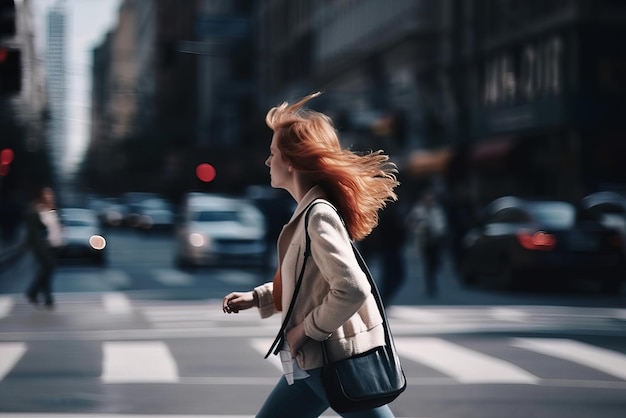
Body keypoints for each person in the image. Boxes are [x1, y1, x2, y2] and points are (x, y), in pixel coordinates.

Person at [222, 92, 400, 418]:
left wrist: (305, 330)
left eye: (273, 153)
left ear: (290, 161)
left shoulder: (317, 215)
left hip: (329, 357)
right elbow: (307, 284)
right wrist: (257, 297)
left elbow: (352, 288)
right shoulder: (307, 214)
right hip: (312, 359)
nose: (267, 161)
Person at [24, 186, 63, 309]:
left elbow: (56, 226)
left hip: (53, 244)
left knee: (48, 271)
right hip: (42, 245)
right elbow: (34, 230)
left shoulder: (53, 210)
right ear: (41, 196)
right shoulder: (36, 210)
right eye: (46, 195)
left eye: (50, 195)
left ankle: (47, 299)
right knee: (48, 268)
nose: (49, 197)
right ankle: (33, 292)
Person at [406, 191, 447, 298]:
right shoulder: (418, 209)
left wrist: (439, 233)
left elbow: (441, 223)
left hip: (436, 240)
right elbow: (410, 222)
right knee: (428, 264)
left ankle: (433, 280)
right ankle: (431, 285)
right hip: (424, 240)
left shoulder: (437, 209)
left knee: (435, 262)